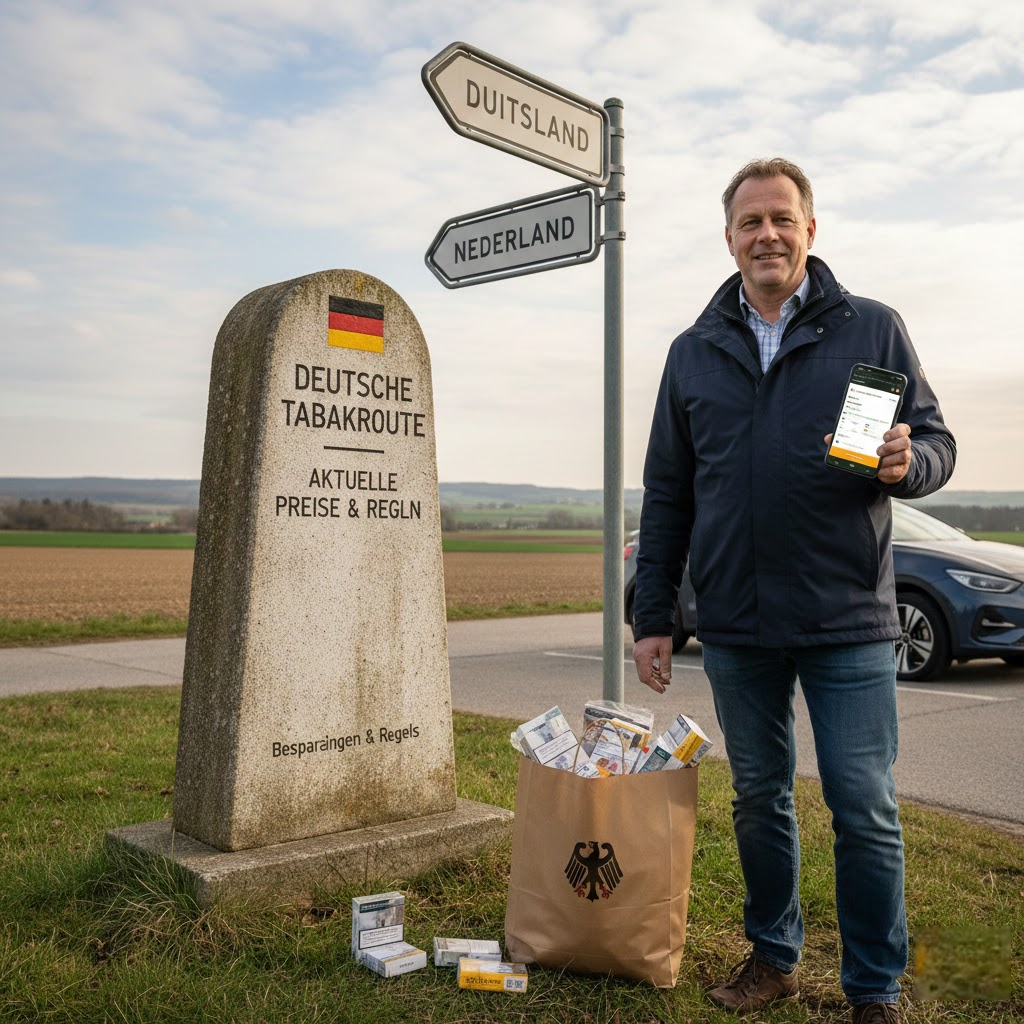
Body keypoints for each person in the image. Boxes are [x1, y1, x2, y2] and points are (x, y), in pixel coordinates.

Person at [631, 158, 955, 1024]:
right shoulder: (693, 351)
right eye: (751, 222)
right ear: (729, 238)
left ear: (810, 229)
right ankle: (773, 958)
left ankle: (874, 987)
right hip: (736, 622)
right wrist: (654, 616)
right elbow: (668, 493)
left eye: (782, 218)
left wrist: (910, 463)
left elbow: (936, 443)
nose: (767, 234)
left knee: (865, 807)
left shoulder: (872, 328)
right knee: (758, 800)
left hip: (848, 617)